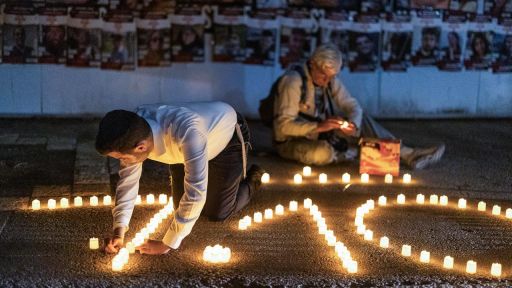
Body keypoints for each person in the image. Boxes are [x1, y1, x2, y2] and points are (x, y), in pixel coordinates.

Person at [96, 102, 264, 254]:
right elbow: (127, 183)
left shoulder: (188, 133)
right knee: (181, 208)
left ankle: (253, 180)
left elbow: (196, 194)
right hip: (183, 152)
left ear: (141, 147)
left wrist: (166, 244)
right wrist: (119, 229)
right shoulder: (132, 129)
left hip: (226, 139)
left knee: (217, 211)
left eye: (121, 158)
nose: (122, 162)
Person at [273, 44, 445, 169]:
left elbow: (353, 106)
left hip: (320, 133)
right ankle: (357, 153)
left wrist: (353, 125)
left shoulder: (330, 80)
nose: (327, 81)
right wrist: (318, 126)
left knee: (363, 121)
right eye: (323, 75)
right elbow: (283, 126)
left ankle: (409, 154)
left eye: (331, 77)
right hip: (291, 141)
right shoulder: (293, 82)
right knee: (322, 153)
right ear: (312, 64)